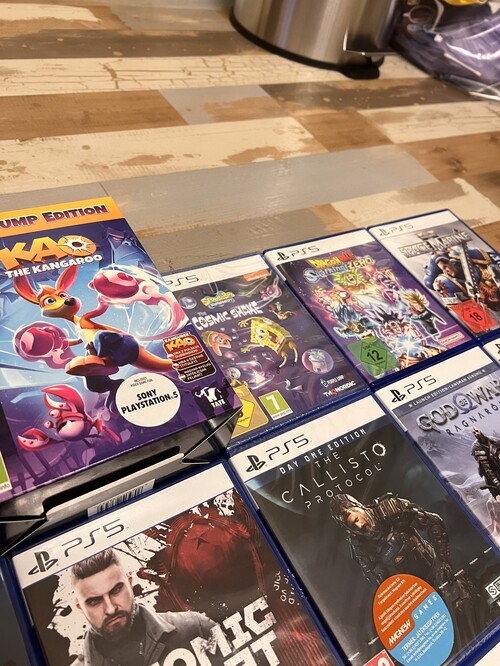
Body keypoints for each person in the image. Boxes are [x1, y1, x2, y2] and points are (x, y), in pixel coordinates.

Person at [70, 548, 218, 666]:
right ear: (80, 607)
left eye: (116, 590)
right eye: (94, 601)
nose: (110, 609)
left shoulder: (195, 628)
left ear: (130, 583)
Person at [471, 427, 500, 499]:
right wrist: (497, 483)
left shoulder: (494, 441)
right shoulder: (477, 448)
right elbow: (487, 468)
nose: (476, 434)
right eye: (474, 433)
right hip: (492, 473)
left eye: (477, 431)